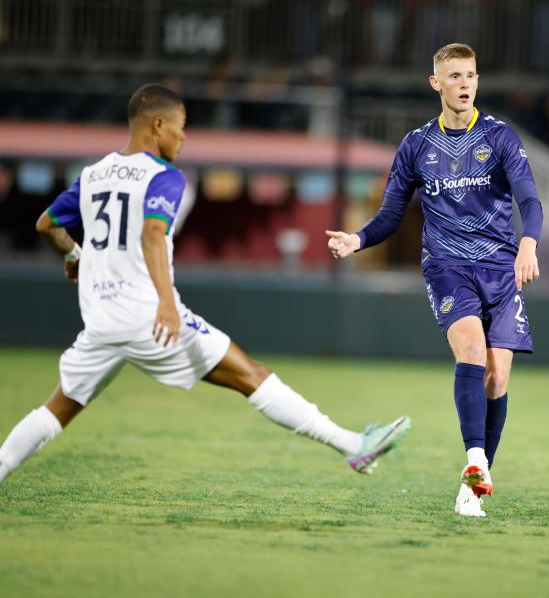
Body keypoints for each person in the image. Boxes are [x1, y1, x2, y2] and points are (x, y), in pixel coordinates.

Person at [0, 84, 410, 485]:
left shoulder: (92, 175)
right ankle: (353, 445)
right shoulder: (164, 176)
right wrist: (165, 303)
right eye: (180, 125)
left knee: (57, 409)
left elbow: (47, 225)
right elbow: (152, 235)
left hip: (100, 322)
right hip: (148, 316)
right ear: (158, 124)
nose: (183, 136)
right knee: (252, 375)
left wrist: (75, 257)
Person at [325, 43, 543, 518]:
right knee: (470, 349)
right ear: (436, 83)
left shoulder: (501, 137)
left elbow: (530, 200)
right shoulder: (417, 145)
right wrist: (357, 240)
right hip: (447, 267)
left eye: (471, 76)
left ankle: (474, 483)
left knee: (496, 377)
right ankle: (475, 461)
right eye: (455, 76)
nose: (465, 84)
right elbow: (390, 214)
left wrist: (529, 244)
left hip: (502, 270)